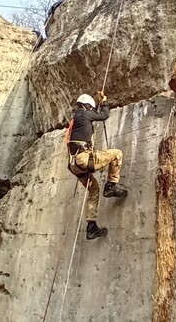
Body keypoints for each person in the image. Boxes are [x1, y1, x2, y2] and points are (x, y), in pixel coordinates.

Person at [67, 91, 127, 240]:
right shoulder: (84, 114)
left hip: (73, 164)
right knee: (117, 153)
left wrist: (98, 104)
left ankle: (91, 226)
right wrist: (105, 102)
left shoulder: (77, 118)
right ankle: (111, 185)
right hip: (83, 158)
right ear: (87, 106)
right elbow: (103, 115)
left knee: (94, 190)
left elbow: (94, 115)